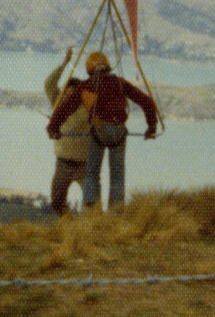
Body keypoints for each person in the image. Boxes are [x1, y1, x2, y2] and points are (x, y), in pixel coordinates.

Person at [46, 51, 158, 209]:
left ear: (89, 69)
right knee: (117, 176)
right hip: (118, 132)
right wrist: (151, 127)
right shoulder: (119, 82)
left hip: (99, 131)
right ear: (107, 66)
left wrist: (53, 127)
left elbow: (65, 108)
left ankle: (92, 207)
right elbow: (146, 101)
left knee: (92, 174)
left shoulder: (87, 85)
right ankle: (116, 210)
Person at [44, 47, 89, 216]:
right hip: (63, 162)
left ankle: (91, 227)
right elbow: (49, 84)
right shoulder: (58, 102)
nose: (67, 98)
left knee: (92, 203)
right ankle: (70, 225)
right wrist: (64, 64)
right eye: (65, 94)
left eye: (72, 95)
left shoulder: (88, 108)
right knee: (57, 202)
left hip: (85, 163)